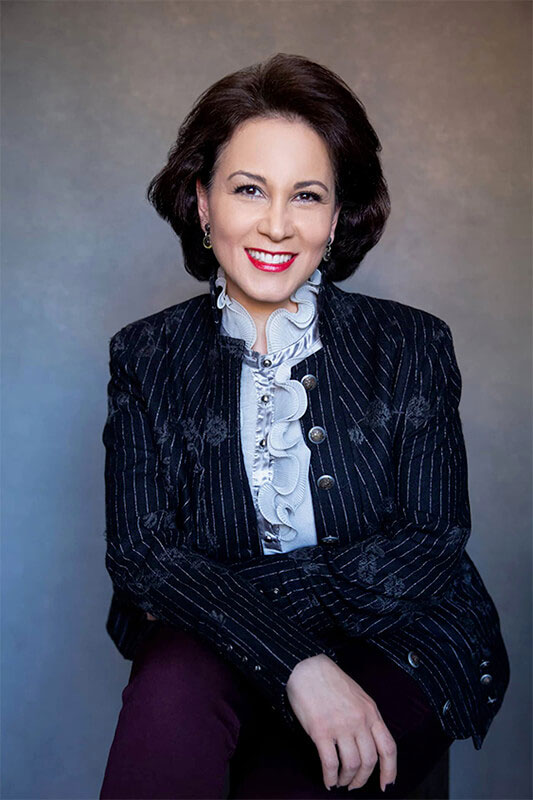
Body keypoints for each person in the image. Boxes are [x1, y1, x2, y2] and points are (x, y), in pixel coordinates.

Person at [99, 53, 510, 799]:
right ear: (201, 202)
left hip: (404, 639)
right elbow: (143, 558)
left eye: (308, 196)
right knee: (168, 686)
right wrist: (298, 661)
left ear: (336, 215)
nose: (277, 225)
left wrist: (238, 604)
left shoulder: (412, 343)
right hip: (213, 648)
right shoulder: (145, 354)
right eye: (248, 188)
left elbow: (429, 540)